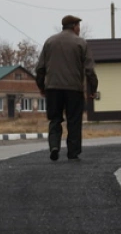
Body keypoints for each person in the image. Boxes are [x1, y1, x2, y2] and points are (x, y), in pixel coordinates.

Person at [35, 15, 99, 161]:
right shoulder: (81, 43)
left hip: (53, 88)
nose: (79, 29)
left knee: (55, 119)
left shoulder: (50, 42)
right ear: (74, 26)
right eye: (78, 26)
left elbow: (40, 68)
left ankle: (54, 146)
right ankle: (73, 152)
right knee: (74, 120)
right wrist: (93, 88)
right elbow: (89, 70)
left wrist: (42, 86)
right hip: (74, 89)